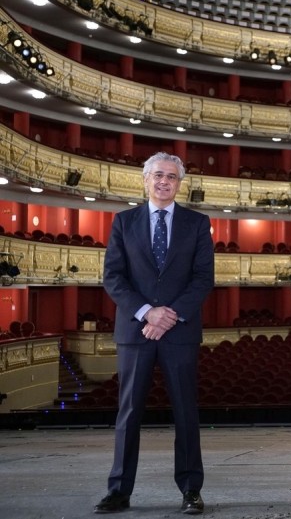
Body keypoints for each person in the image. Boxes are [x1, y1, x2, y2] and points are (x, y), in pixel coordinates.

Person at [94, 152, 214, 515]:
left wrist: (168, 315)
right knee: (128, 413)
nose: (164, 182)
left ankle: (191, 490)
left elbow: (202, 279)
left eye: (172, 177)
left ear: (180, 184)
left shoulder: (197, 223)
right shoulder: (123, 222)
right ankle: (119, 491)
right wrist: (149, 312)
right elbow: (113, 277)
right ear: (145, 180)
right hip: (136, 331)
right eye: (158, 175)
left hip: (179, 332)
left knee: (185, 412)